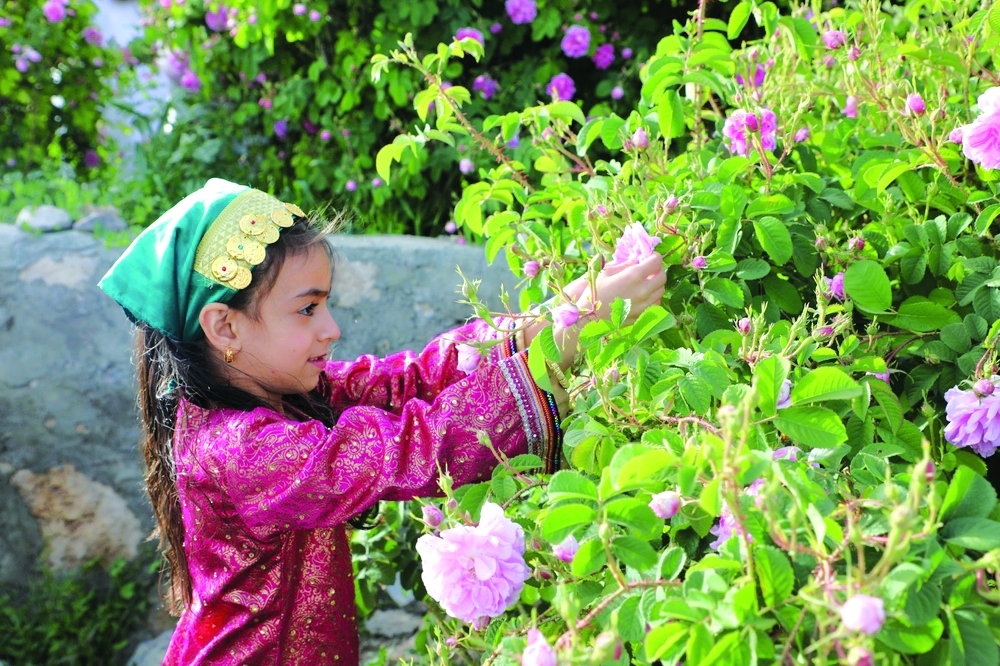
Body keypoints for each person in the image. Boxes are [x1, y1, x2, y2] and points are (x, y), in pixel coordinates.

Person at [98, 178, 665, 664]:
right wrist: (568, 335)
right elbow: (413, 449)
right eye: (307, 309)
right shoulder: (241, 452)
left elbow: (409, 379)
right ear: (224, 328)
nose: (331, 329)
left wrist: (559, 312)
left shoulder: (275, 391)